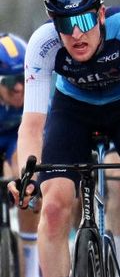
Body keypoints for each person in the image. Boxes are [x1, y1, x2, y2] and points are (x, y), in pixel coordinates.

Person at [11, 0, 120, 277]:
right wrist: (27, 178)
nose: (76, 34)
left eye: (84, 20)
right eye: (64, 25)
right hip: (73, 110)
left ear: (100, 14)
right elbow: (31, 125)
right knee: (54, 207)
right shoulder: (42, 45)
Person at [0, 33, 39, 277]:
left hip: (16, 137)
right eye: (11, 81)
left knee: (27, 181)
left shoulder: (35, 88)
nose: (19, 87)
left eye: (23, 79)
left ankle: (31, 264)